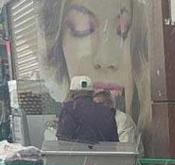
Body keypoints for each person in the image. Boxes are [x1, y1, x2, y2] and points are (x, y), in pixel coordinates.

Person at [41, 0, 150, 145]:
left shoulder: (68, 111)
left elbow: (63, 143)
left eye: (123, 30)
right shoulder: (113, 116)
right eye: (82, 28)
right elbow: (118, 149)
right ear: (57, 50)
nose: (106, 60)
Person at [56, 76, 119, 143]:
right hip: (102, 153)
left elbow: (62, 141)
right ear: (92, 93)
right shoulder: (107, 112)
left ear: (72, 93)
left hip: (74, 153)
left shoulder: (68, 110)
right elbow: (114, 143)